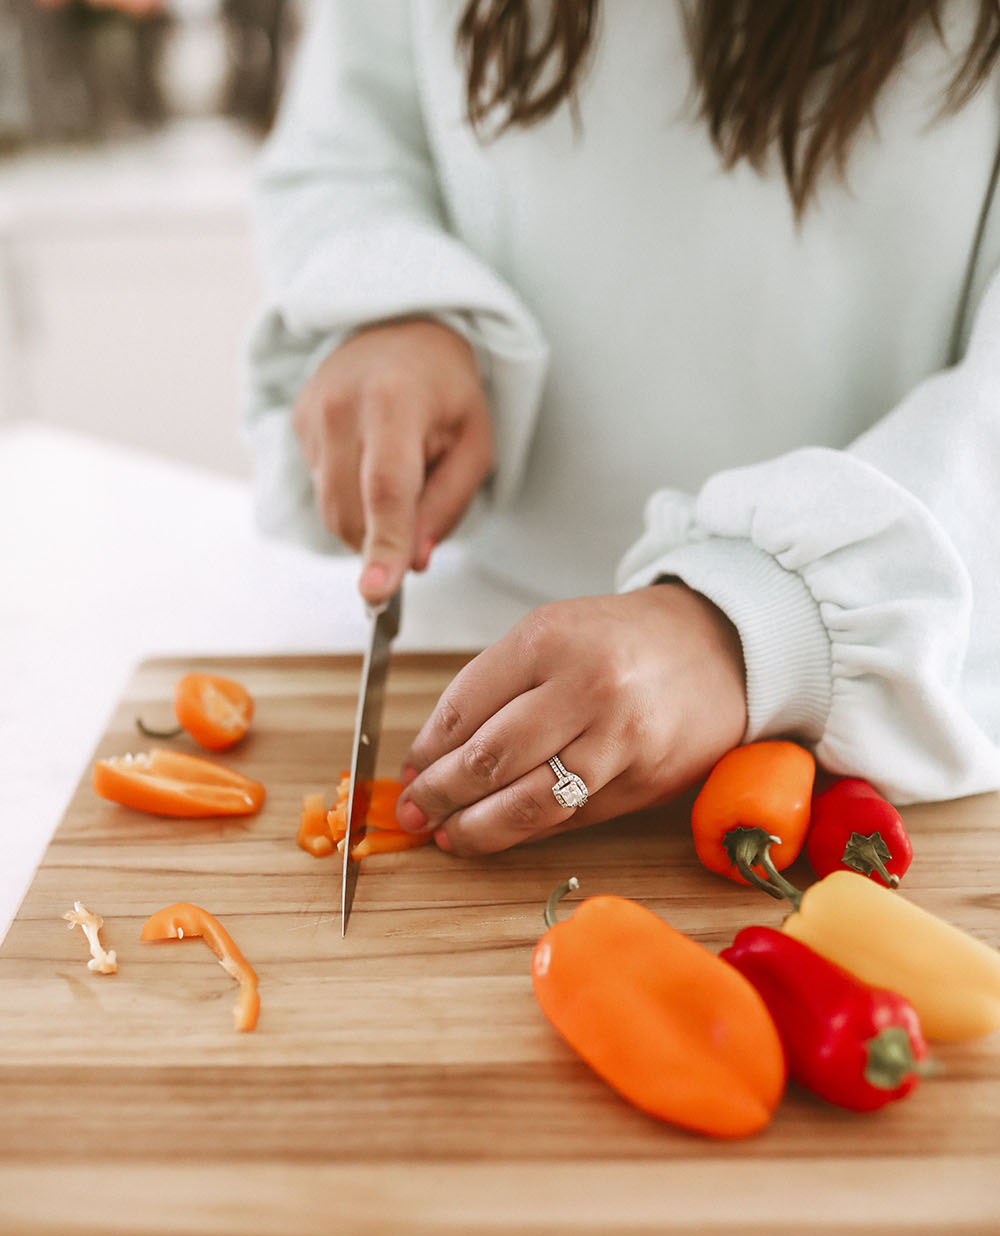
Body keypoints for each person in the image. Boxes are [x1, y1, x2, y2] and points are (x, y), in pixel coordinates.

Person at [244, 0, 1000, 857]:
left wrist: (758, 623)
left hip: (901, 693)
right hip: (476, 640)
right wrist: (400, 305)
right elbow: (349, 149)